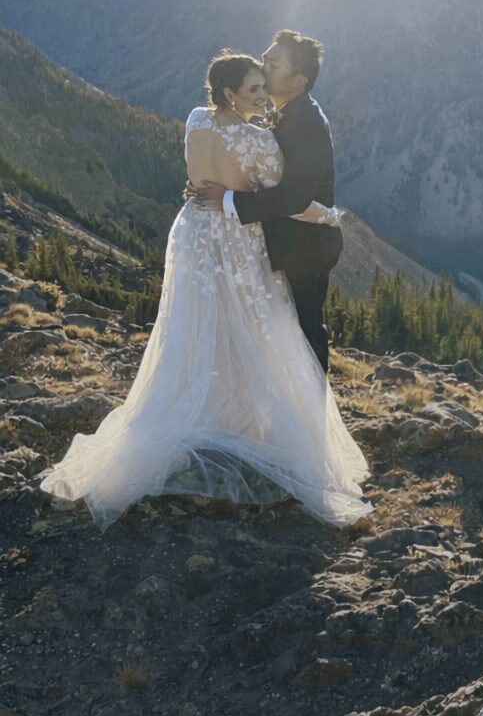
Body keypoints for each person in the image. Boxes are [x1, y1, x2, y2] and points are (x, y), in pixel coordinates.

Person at [40, 54, 372, 532]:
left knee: (197, 324)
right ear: (231, 94)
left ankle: (209, 409)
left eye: (264, 86)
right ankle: (251, 421)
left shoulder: (196, 120)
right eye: (254, 89)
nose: (262, 96)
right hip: (236, 241)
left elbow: (203, 172)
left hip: (194, 235)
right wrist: (330, 216)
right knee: (255, 325)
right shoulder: (258, 142)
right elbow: (290, 201)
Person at [190, 30, 341, 371]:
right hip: (284, 239)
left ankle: (311, 400)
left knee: (303, 328)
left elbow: (295, 196)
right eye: (265, 59)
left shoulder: (306, 123)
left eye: (274, 64)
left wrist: (228, 198)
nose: (263, 67)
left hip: (307, 244)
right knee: (283, 329)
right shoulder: (287, 112)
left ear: (299, 80)